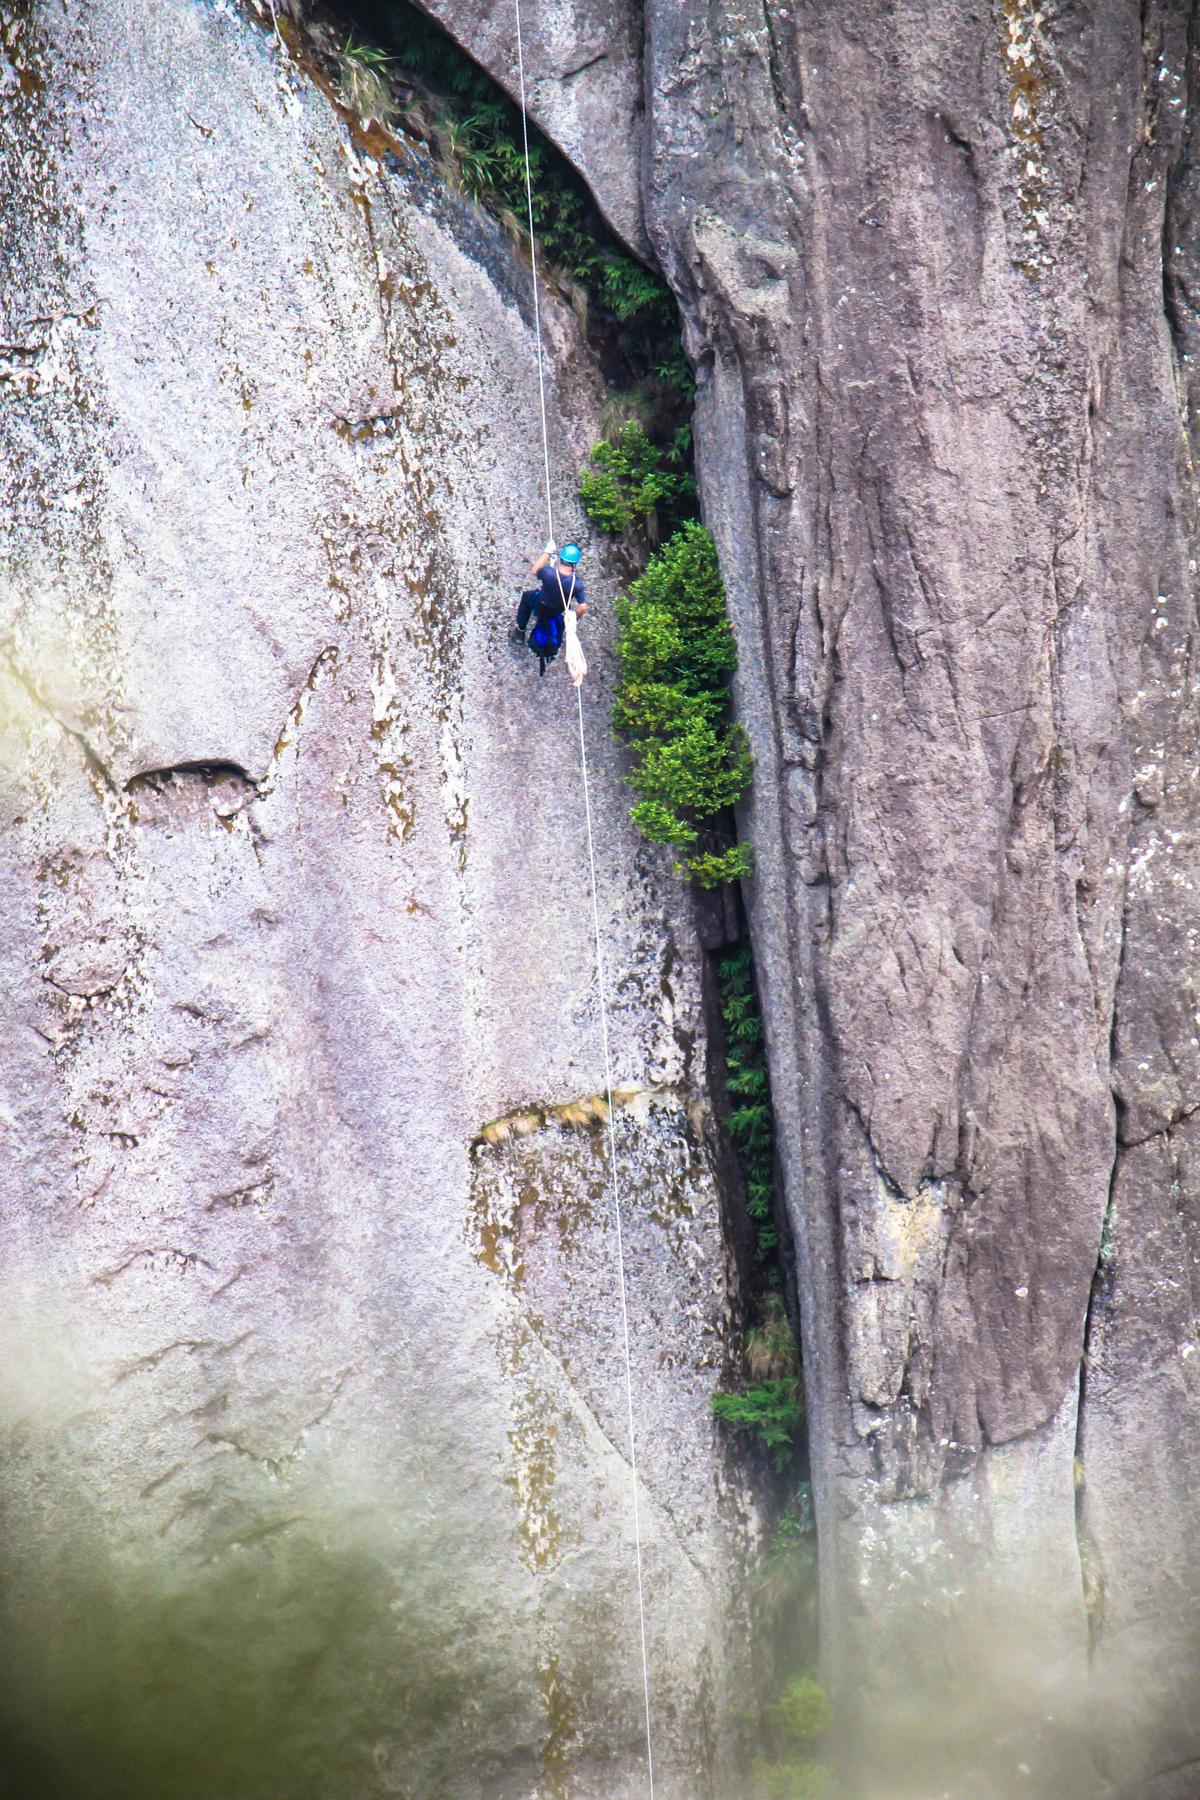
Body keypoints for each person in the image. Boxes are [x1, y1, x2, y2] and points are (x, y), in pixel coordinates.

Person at [513, 541, 587, 645]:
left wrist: (547, 553)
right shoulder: (576, 584)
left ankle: (520, 632)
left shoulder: (548, 572)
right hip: (557, 611)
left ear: (561, 559)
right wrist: (574, 618)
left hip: (541, 604)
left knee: (526, 596)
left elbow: (534, 570)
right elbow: (583, 607)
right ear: (574, 565)